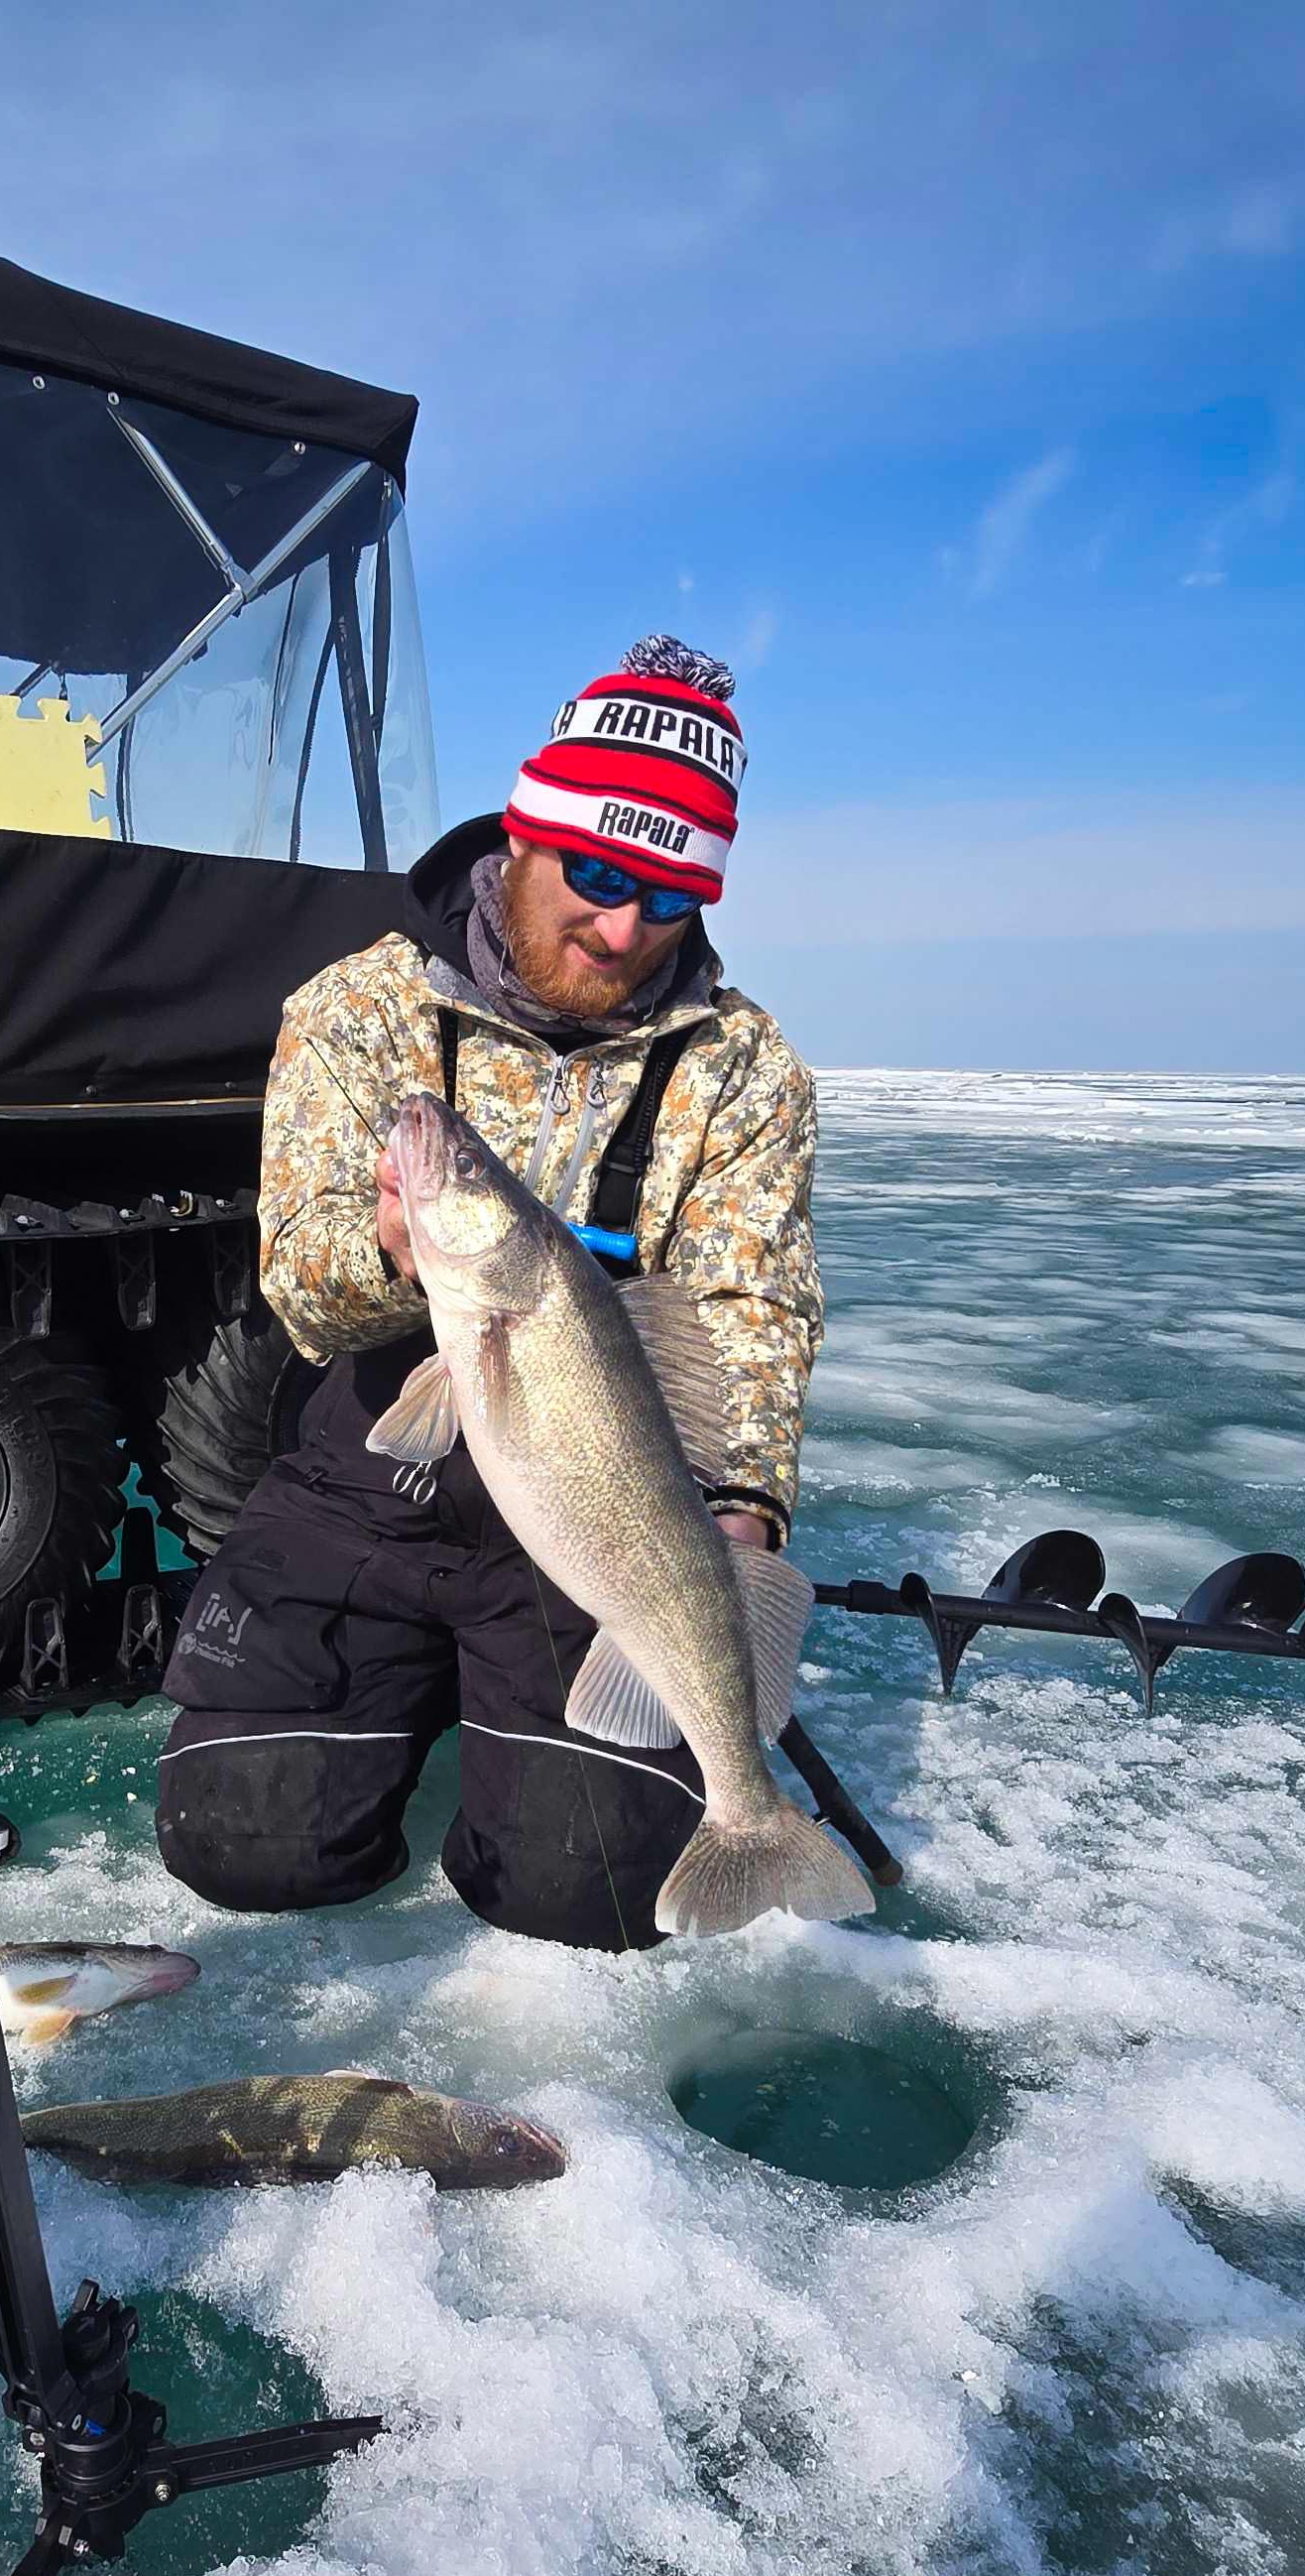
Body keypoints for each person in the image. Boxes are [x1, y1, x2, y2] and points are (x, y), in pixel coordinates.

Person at [154, 635, 824, 1949]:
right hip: (376, 1491)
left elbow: (750, 1318)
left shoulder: (745, 1069)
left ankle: (724, 1809)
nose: (623, 926)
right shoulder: (359, 1009)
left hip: (599, 1516)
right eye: (599, 870)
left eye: (671, 897)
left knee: (590, 1893)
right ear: (529, 830)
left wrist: (736, 1524)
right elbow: (300, 1284)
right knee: (246, 1840)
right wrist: (400, 1253)